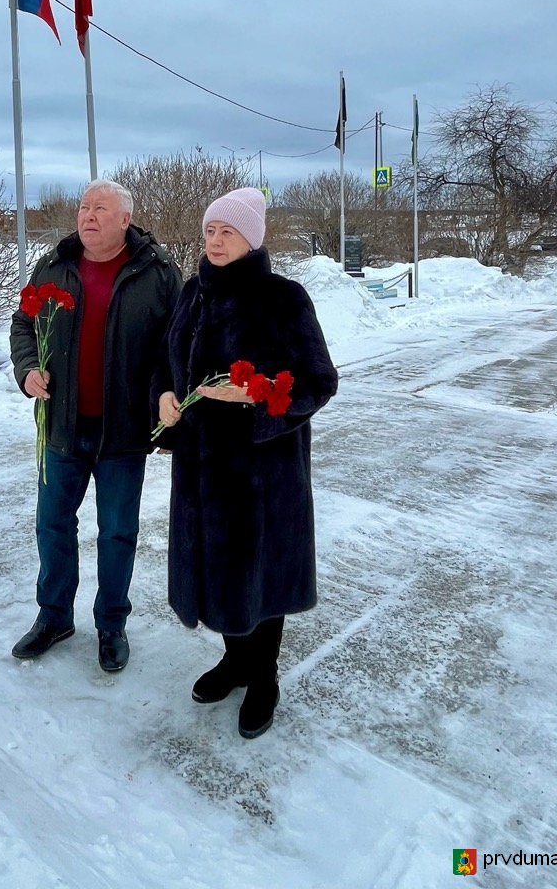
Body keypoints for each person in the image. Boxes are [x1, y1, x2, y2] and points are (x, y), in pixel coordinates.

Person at [155, 187, 338, 738]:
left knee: (260, 574)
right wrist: (165, 396)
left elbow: (318, 382)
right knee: (217, 570)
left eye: (228, 232)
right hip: (200, 468)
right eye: (210, 231)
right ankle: (235, 660)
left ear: (252, 239)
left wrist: (257, 396)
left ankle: (263, 676)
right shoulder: (193, 293)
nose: (215, 241)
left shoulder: (283, 298)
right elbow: (168, 361)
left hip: (262, 472)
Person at [10, 180, 182, 673]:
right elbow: (23, 325)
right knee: (53, 526)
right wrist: (27, 369)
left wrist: (167, 406)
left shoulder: (157, 272)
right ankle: (54, 617)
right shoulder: (55, 265)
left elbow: (175, 347)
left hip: (123, 433)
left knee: (117, 533)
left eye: (100, 208)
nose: (88, 215)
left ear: (125, 219)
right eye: (84, 207)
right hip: (61, 427)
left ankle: (111, 624)